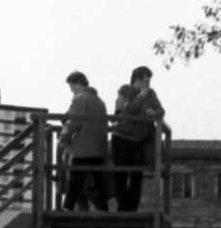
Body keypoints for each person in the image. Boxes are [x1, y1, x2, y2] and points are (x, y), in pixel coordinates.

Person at [111, 66, 165, 212]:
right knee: (120, 174)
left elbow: (161, 111)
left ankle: (132, 207)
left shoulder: (151, 94)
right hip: (122, 137)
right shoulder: (124, 91)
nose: (148, 84)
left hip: (139, 139)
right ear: (137, 80)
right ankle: (122, 205)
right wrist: (141, 96)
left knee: (136, 174)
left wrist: (154, 112)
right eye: (146, 80)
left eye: (149, 81)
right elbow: (128, 111)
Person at [58, 72, 110, 211]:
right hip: (98, 146)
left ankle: (67, 206)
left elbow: (74, 121)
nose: (71, 90)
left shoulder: (80, 98)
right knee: (98, 179)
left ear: (78, 83)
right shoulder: (100, 101)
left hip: (83, 146)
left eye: (71, 86)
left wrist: (63, 137)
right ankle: (103, 209)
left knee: (75, 178)